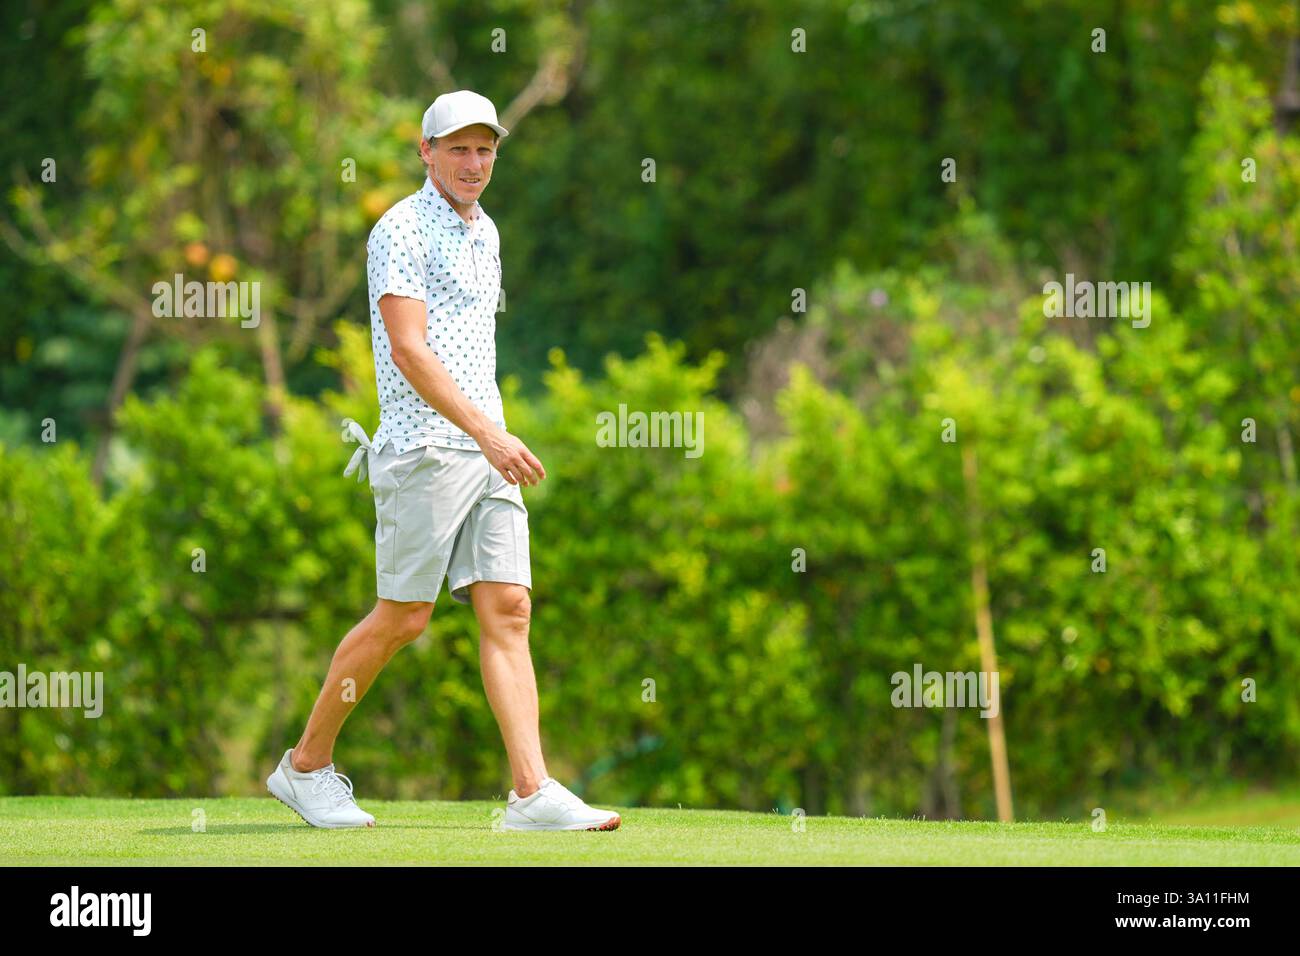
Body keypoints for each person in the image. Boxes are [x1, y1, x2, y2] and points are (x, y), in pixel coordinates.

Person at [266, 89, 620, 832]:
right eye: (457, 148)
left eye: (485, 149)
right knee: (404, 617)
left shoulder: (487, 232)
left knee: (510, 607)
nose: (474, 162)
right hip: (424, 449)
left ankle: (531, 792)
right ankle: (304, 767)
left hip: (484, 446)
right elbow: (409, 349)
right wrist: (489, 434)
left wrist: (491, 435)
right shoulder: (399, 229)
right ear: (425, 153)